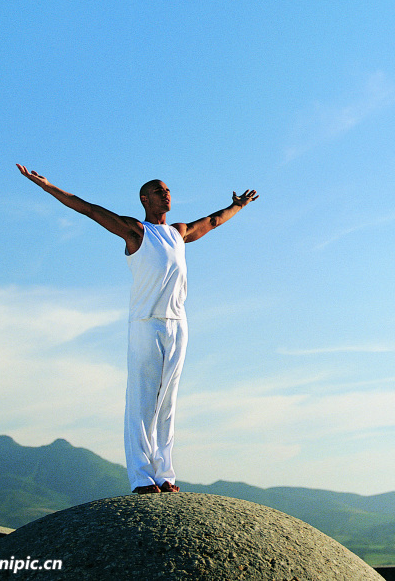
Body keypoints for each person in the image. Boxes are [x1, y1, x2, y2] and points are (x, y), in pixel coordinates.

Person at [16, 164, 258, 494]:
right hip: (146, 324)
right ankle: (142, 478)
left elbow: (213, 221)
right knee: (142, 402)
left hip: (178, 325)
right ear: (145, 199)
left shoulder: (179, 232)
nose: (166, 194)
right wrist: (48, 186)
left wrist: (238, 206)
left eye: (168, 190)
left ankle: (165, 475)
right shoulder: (136, 232)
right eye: (159, 191)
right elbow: (88, 209)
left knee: (167, 403)